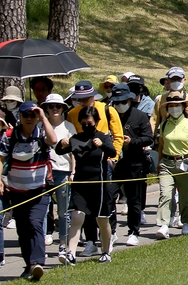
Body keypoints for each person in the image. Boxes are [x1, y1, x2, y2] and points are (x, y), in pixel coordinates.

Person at [0, 102, 58, 278]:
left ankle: (37, 262)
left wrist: (43, 117)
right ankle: (29, 265)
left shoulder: (42, 133)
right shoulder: (9, 136)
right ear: (20, 116)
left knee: (35, 223)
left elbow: (53, 140)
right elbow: (1, 159)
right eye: (26, 115)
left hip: (39, 190)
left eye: (33, 115)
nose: (29, 118)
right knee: (23, 230)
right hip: (17, 191)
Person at [55, 106, 115, 267]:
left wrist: (102, 145)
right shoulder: (77, 138)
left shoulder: (103, 137)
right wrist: (62, 144)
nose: (86, 126)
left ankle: (106, 251)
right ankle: (71, 254)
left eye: (89, 123)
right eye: (83, 123)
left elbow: (113, 152)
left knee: (102, 220)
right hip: (80, 184)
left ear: (96, 122)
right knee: (77, 217)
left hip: (99, 184)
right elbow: (59, 151)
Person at [108, 84, 153, 247]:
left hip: (135, 163)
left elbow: (149, 138)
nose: (120, 105)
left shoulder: (140, 116)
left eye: (123, 101)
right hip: (114, 164)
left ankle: (134, 231)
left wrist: (132, 142)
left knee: (134, 200)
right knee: (109, 195)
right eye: (116, 102)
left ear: (130, 99)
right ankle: (111, 231)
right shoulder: (108, 116)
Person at [154, 90, 188, 238]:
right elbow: (161, 145)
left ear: (182, 107)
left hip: (185, 162)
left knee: (187, 196)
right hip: (167, 163)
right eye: (171, 105)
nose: (174, 108)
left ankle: (186, 222)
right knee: (165, 194)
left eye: (177, 105)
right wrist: (159, 162)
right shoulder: (164, 125)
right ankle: (164, 225)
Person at [42, 94, 74, 255]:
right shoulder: (41, 127)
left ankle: (63, 243)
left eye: (58, 106)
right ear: (46, 109)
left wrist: (73, 171)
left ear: (62, 108)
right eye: (51, 106)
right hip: (43, 172)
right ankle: (40, 244)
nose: (54, 109)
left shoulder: (69, 127)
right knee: (42, 209)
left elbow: (74, 152)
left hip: (63, 171)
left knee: (63, 211)